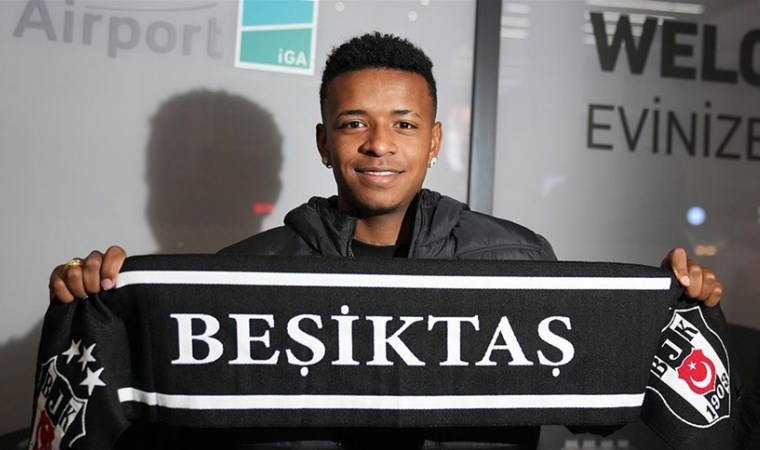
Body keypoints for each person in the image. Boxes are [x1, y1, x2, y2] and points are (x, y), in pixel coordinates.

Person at [48, 32, 724, 448]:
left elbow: (597, 410)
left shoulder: (517, 261)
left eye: (404, 124)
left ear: (434, 141)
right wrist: (100, 305)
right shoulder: (243, 274)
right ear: (324, 142)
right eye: (354, 124)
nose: (379, 144)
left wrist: (663, 314)